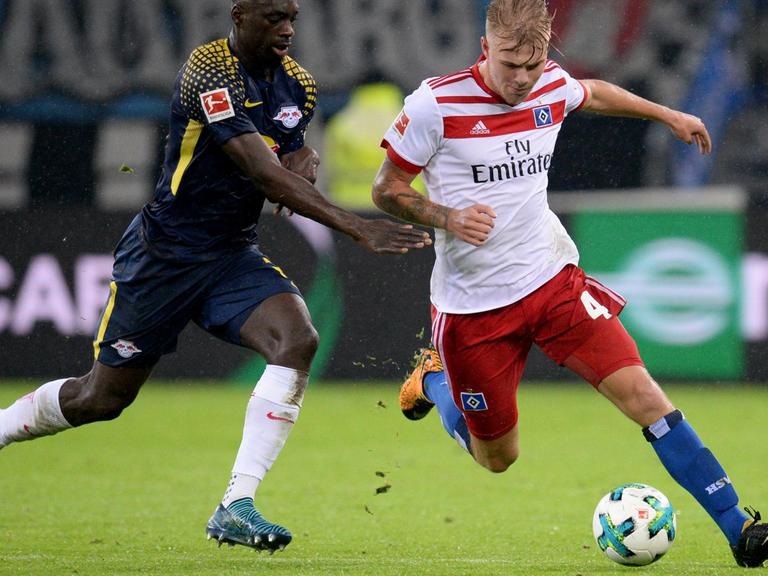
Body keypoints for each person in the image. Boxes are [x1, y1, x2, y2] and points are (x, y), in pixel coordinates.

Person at [0, 0, 430, 554]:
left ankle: (236, 505)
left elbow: (288, 155)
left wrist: (303, 159)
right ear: (239, 15)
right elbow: (259, 168)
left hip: (231, 255)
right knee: (100, 399)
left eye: (293, 16)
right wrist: (356, 227)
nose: (288, 29)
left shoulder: (298, 83)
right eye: (274, 17)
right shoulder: (210, 69)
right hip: (164, 256)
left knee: (296, 339)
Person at [372, 0, 767, 568]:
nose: (522, 80)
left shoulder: (548, 84)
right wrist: (447, 217)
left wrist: (668, 115)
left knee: (645, 398)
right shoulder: (435, 104)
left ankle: (740, 528)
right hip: (473, 310)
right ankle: (435, 383)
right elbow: (386, 190)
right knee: (497, 458)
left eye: (532, 67)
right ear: (486, 50)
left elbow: (597, 92)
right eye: (510, 66)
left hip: (552, 280)